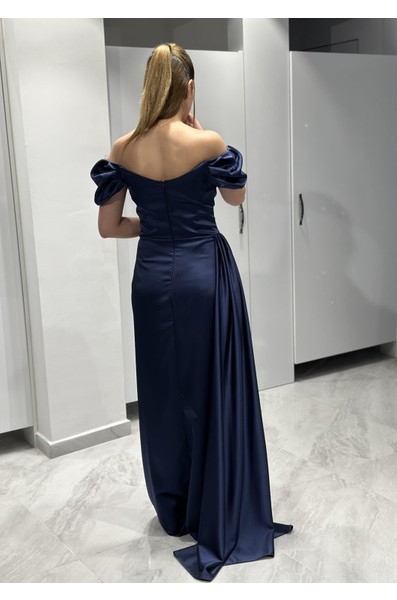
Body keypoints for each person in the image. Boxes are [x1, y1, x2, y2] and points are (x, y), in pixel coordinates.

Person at [90, 42, 292, 582]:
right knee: (211, 389)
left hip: (152, 280)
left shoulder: (122, 148)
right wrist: (199, 133)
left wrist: (156, 227)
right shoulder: (208, 142)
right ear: (189, 89)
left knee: (163, 392)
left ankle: (175, 508)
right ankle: (215, 503)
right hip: (204, 274)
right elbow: (236, 198)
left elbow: (110, 227)